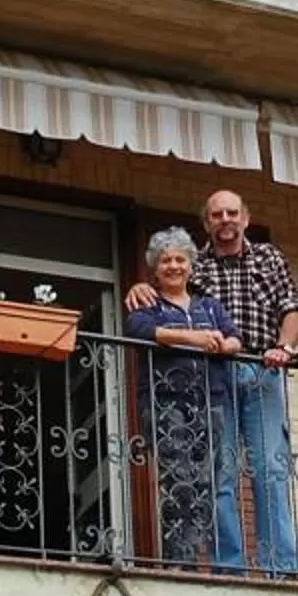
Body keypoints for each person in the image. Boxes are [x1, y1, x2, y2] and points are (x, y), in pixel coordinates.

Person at [123, 190, 298, 576]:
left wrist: (284, 348)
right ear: (207, 223)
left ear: (245, 218)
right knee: (219, 475)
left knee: (269, 471)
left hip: (261, 370)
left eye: (232, 213)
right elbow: (166, 295)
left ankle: (281, 568)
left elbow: (291, 307)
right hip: (213, 380)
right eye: (217, 214)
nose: (226, 219)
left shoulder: (269, 257)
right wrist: (138, 287)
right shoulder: (196, 263)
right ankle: (228, 567)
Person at [122, 227, 237, 568]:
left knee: (204, 483)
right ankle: (179, 561)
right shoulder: (149, 303)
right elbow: (141, 330)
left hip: (210, 401)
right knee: (179, 478)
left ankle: (191, 557)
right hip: (166, 401)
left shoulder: (209, 306)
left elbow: (235, 338)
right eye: (165, 261)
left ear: (190, 265)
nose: (173, 266)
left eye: (180, 260)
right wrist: (194, 338)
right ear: (155, 269)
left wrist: (222, 344)